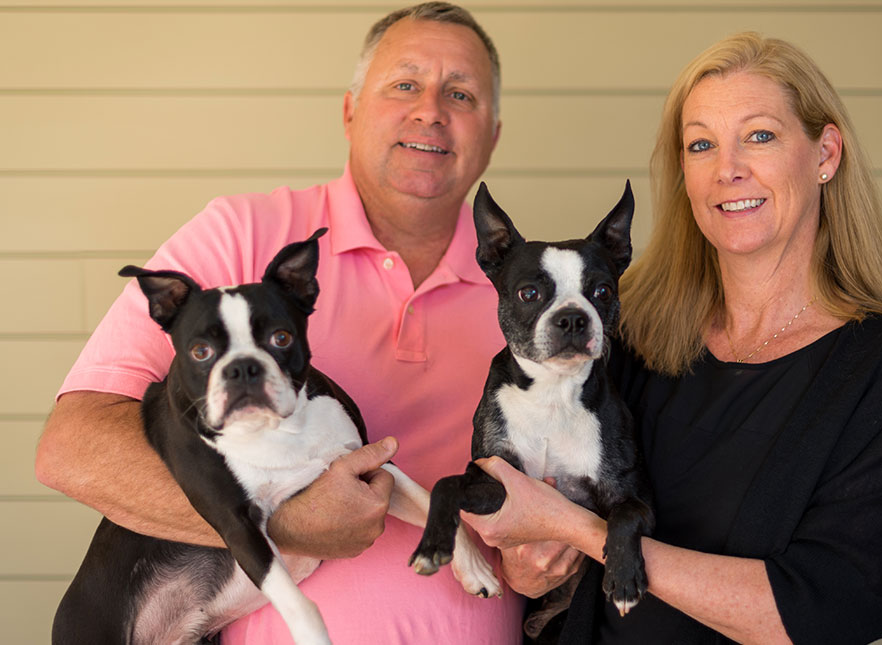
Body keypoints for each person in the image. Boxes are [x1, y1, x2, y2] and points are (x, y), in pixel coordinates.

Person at [35, 3, 526, 643]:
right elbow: (72, 451)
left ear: (492, 134)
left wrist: (545, 558)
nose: (430, 109)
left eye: (460, 94)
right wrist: (284, 520)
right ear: (350, 111)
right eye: (404, 84)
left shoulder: (532, 294)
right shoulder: (238, 238)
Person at [462, 32, 882, 644]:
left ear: (825, 153)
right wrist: (528, 566)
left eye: (760, 136)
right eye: (701, 145)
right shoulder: (625, 339)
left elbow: (834, 607)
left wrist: (585, 534)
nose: (728, 169)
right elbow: (534, 560)